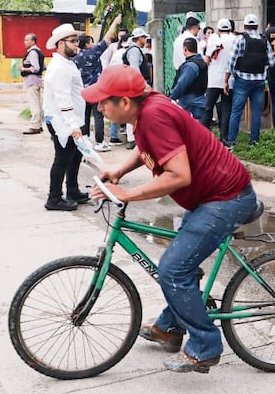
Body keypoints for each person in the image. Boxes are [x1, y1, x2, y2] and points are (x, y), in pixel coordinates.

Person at [84, 64, 259, 374]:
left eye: (104, 101)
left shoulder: (153, 114)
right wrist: (119, 171)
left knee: (173, 268)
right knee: (180, 264)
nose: (99, 107)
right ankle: (169, 326)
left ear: (124, 102)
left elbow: (179, 174)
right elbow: (147, 148)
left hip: (225, 199)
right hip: (209, 196)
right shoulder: (145, 111)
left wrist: (128, 194)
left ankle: (205, 346)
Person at [42, 23, 88, 211]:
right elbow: (62, 98)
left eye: (77, 40)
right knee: (62, 158)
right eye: (73, 41)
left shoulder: (67, 64)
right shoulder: (60, 67)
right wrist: (73, 125)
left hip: (73, 119)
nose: (77, 44)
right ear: (61, 44)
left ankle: (72, 190)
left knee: (75, 156)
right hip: (63, 121)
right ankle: (54, 198)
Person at [224, 13, 275, 147]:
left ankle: (231, 142)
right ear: (257, 26)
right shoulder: (264, 40)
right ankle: (254, 141)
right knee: (256, 111)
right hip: (259, 81)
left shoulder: (240, 39)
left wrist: (226, 80)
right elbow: (272, 62)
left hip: (242, 80)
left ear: (245, 26)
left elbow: (231, 63)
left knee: (236, 111)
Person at [76, 15, 119, 151]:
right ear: (88, 44)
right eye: (91, 42)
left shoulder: (75, 58)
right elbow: (107, 38)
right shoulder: (93, 53)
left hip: (82, 91)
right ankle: (99, 142)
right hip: (95, 90)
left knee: (85, 116)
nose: (93, 44)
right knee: (98, 115)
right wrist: (114, 22)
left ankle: (85, 140)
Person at [203, 18, 235, 141]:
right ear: (230, 29)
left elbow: (207, 59)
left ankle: (204, 136)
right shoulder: (235, 39)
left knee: (208, 107)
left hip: (214, 79)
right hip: (229, 80)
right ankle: (224, 137)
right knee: (226, 108)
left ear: (218, 29)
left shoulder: (214, 39)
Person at [168, 37, 208, 123]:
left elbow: (182, 84)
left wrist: (170, 98)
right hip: (200, 101)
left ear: (185, 49)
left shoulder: (190, 66)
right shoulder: (201, 62)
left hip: (190, 104)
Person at [21, 33, 46, 135]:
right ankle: (39, 124)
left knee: (34, 104)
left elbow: (36, 68)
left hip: (32, 80)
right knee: (38, 103)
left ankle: (35, 125)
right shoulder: (38, 51)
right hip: (38, 80)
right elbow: (43, 67)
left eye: (27, 40)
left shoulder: (32, 53)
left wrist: (23, 69)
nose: (25, 42)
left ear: (33, 41)